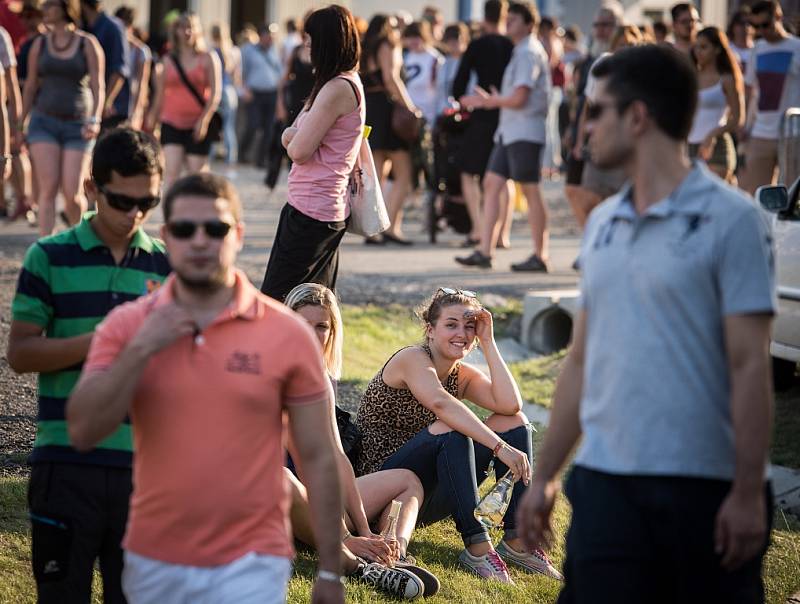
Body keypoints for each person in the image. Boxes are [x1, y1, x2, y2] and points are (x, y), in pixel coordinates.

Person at [518, 44, 776, 603]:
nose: (584, 126)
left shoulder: (733, 221)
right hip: (605, 487)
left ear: (636, 117)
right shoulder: (604, 222)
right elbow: (581, 361)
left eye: (596, 110)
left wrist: (749, 491)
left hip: (703, 491)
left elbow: (750, 365)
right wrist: (544, 478)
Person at [66, 172, 346, 604]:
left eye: (214, 228)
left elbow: (319, 457)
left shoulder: (287, 334)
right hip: (153, 554)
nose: (200, 240)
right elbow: (82, 430)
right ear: (166, 237)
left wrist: (330, 567)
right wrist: (142, 348)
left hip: (252, 560)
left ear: (237, 234)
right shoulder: (129, 324)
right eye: (184, 229)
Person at [7, 128, 169, 604]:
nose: (135, 214)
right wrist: (103, 340)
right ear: (90, 189)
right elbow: (20, 353)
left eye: (148, 203)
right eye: (121, 200)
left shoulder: (167, 266)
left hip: (145, 470)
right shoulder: (48, 256)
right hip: (65, 463)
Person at [355, 288, 561, 582]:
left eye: (469, 326)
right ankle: (477, 546)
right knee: (450, 427)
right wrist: (498, 447)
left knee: (513, 421)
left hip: (424, 495)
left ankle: (518, 539)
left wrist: (488, 343)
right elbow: (440, 402)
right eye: (451, 324)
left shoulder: (460, 374)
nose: (461, 333)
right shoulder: (412, 358)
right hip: (384, 490)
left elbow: (510, 404)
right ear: (430, 329)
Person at [284, 283, 435, 599]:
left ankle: (393, 554)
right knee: (282, 477)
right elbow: (308, 461)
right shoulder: (276, 374)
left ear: (332, 331)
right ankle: (347, 553)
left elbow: (336, 455)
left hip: (321, 500)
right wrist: (341, 534)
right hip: (282, 502)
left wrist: (365, 531)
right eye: (301, 324)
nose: (311, 334)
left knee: (406, 480)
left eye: (321, 326)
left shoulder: (321, 378)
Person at [260, 5, 364, 302]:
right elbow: (294, 135)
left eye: (310, 40)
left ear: (327, 42)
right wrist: (291, 137)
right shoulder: (331, 84)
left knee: (279, 301)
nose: (306, 46)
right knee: (310, 304)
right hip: (316, 206)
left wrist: (290, 138)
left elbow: (299, 150)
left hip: (313, 211)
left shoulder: (337, 89)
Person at [456, 1, 551, 272]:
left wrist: (490, 102)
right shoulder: (520, 50)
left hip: (524, 130)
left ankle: (540, 255)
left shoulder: (528, 53)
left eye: (514, 19)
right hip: (509, 131)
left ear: (529, 24)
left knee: (530, 190)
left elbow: (520, 98)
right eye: (507, 18)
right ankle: (485, 250)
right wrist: (492, 101)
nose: (507, 23)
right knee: (491, 183)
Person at [21, 0, 104, 236]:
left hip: (78, 124)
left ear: (65, 7)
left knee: (72, 192)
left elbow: (99, 85)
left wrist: (95, 118)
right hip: (44, 122)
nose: (44, 10)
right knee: (47, 190)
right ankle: (45, 249)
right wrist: (20, 122)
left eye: (50, 5)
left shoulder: (87, 43)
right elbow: (30, 86)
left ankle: (78, 241)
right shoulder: (40, 44)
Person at [452, 0, 513, 247]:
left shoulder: (476, 46)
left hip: (482, 116)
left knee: (469, 174)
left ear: (484, 16)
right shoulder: (512, 46)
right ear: (505, 15)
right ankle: (503, 234)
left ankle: (478, 228)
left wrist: (469, 100)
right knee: (504, 177)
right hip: (508, 113)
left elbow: (458, 87)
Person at [360, 14, 418, 245]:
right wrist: (411, 108)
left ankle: (373, 229)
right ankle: (391, 226)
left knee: (376, 175)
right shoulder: (388, 44)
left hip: (370, 110)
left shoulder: (365, 47)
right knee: (404, 173)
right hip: (387, 110)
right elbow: (391, 78)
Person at [562, 3, 621, 230]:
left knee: (603, 195)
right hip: (585, 135)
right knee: (573, 189)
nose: (601, 30)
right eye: (597, 25)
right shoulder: (588, 61)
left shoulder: (624, 61)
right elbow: (581, 101)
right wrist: (573, 130)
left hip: (612, 138)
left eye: (607, 24)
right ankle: (592, 241)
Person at [146, 11, 221, 190]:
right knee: (171, 173)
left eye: (191, 28)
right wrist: (152, 120)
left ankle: (197, 215)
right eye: (183, 28)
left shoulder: (208, 57)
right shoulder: (168, 60)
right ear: (176, 31)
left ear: (198, 31)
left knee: (197, 176)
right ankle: (171, 216)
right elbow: (160, 94)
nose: (187, 32)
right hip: (171, 121)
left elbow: (215, 93)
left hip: (198, 123)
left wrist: (203, 121)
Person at [739, 0, 800, 194]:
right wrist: (745, 125)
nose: (761, 31)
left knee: (790, 197)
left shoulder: (797, 47)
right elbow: (749, 91)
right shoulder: (757, 49)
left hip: (791, 132)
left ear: (779, 18)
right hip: (760, 132)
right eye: (755, 27)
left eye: (765, 25)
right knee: (755, 194)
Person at [688, 26, 744, 183]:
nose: (698, 51)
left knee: (711, 200)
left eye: (704, 47)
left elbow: (738, 118)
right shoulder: (691, 77)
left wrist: (712, 135)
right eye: (696, 47)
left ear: (718, 49)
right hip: (689, 147)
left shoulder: (726, 79)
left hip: (717, 147)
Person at [80, 0, 130, 130]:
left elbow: (119, 70)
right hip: (85, 104)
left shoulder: (113, 27)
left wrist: (105, 101)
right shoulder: (82, 27)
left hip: (111, 108)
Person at [238, 22, 281, 167]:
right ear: (262, 36)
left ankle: (261, 160)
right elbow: (240, 72)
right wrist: (244, 90)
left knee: (269, 128)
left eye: (273, 36)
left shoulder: (276, 51)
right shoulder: (248, 50)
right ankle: (242, 152)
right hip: (254, 93)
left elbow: (280, 72)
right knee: (253, 124)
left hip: (272, 93)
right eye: (269, 35)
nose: (271, 39)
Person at [113, 6, 150, 131]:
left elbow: (142, 84)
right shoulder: (111, 45)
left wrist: (136, 112)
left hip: (129, 104)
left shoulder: (141, 51)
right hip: (112, 102)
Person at [402, 21, 444, 129]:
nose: (413, 41)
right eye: (409, 37)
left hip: (428, 114)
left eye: (416, 36)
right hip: (408, 113)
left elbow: (440, 90)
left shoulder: (435, 59)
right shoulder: (405, 57)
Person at [210, 23, 241, 166]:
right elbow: (237, 77)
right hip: (230, 91)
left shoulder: (212, 51)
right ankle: (231, 158)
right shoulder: (234, 51)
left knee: (212, 124)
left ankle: (209, 155)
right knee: (229, 126)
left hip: (216, 90)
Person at [727, 9, 754, 73]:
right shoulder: (727, 49)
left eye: (749, 23)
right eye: (741, 23)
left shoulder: (758, 49)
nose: (745, 26)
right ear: (733, 26)